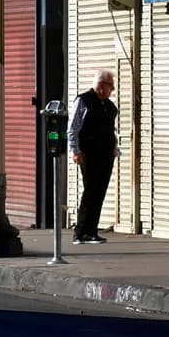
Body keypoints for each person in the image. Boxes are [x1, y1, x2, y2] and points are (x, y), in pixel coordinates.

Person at [69, 70, 119, 244]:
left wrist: (114, 148)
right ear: (101, 86)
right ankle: (80, 232)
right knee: (90, 191)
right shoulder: (84, 101)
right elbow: (73, 128)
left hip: (106, 154)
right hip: (88, 154)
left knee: (99, 192)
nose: (112, 90)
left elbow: (111, 130)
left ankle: (92, 231)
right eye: (111, 86)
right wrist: (75, 151)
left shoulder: (109, 106)